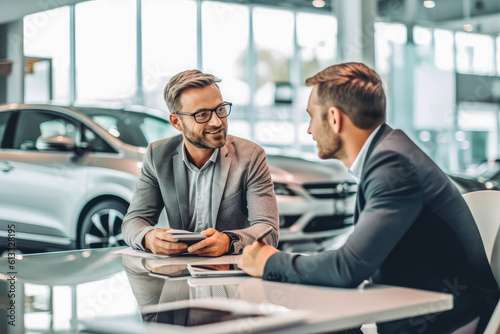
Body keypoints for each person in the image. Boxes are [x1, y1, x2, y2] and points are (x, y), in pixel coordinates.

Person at [239, 63, 500, 333]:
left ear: (334, 118)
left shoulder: (394, 165)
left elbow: (348, 268)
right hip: (421, 312)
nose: (309, 130)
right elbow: (355, 260)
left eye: (311, 116)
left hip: (445, 322)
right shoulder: (390, 153)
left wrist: (270, 261)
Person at [122, 69, 278, 257]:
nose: (217, 122)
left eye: (220, 109)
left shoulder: (251, 156)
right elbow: (133, 221)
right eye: (202, 115)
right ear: (176, 122)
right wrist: (148, 237)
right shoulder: (158, 155)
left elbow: (268, 230)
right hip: (179, 274)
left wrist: (228, 241)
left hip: (231, 273)